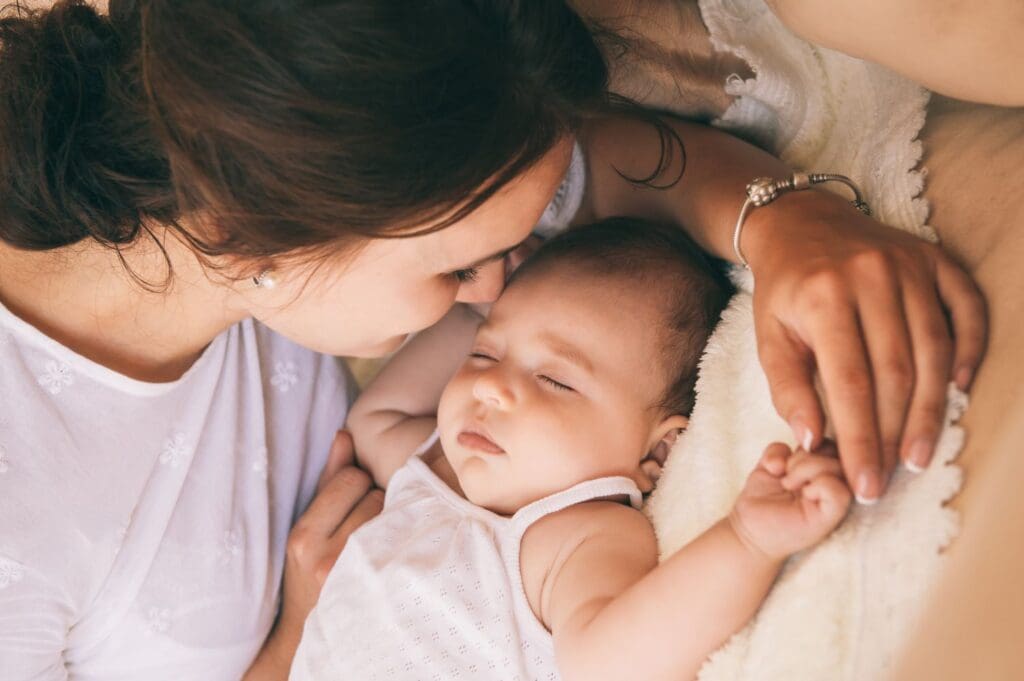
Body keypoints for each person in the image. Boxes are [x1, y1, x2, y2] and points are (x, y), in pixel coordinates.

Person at [0, 2, 983, 679]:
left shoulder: (284, 177)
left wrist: (777, 222)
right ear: (263, 230)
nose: (491, 292)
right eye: (457, 269)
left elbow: (609, 178)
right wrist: (301, 635)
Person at [293, 219, 852, 681]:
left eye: (554, 381)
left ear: (657, 455)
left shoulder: (570, 535)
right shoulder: (436, 466)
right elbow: (374, 421)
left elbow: (612, 664)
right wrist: (475, 308)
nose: (491, 386)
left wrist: (747, 542)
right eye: (484, 354)